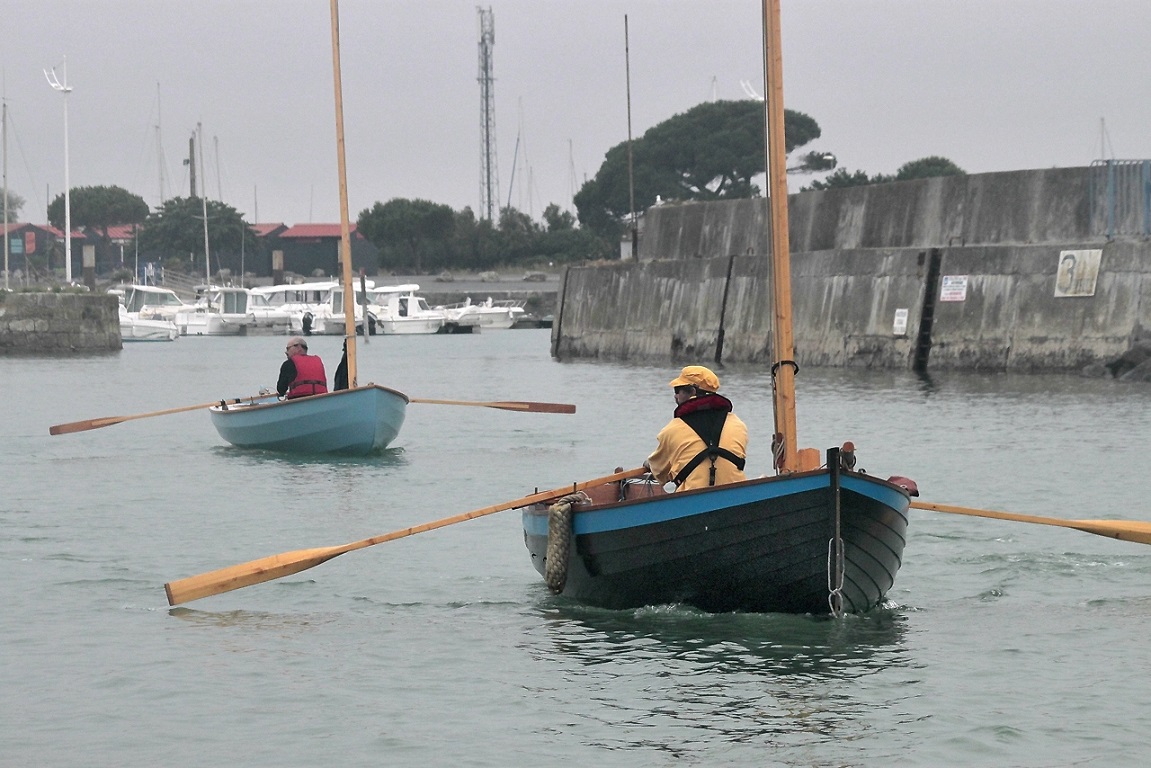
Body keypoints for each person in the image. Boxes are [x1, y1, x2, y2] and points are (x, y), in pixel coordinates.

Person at [644, 365, 748, 492]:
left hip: (690, 501)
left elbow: (660, 473)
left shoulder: (671, 430)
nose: (675, 396)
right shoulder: (738, 425)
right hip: (736, 496)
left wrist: (648, 465)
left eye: (677, 390)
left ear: (693, 392)